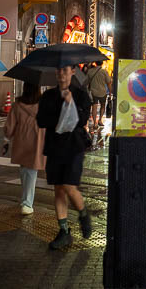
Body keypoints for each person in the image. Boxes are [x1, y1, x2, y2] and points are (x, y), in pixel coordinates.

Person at [36, 66, 93, 250]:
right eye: (59, 70)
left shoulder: (81, 95)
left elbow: (83, 119)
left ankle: (83, 213)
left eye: (65, 70)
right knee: (58, 189)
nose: (61, 74)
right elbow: (41, 120)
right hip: (54, 146)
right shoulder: (48, 96)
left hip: (74, 146)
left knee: (69, 185)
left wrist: (71, 104)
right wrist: (58, 108)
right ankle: (63, 231)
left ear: (73, 72)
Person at [3, 83, 45, 215]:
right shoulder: (43, 104)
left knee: (25, 169)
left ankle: (26, 201)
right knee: (31, 170)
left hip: (22, 140)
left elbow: (9, 127)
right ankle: (27, 203)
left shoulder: (17, 105)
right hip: (37, 140)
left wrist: (6, 139)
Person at [85, 61, 111, 131]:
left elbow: (86, 82)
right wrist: (110, 92)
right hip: (103, 92)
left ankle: (94, 123)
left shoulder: (90, 71)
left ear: (95, 63)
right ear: (102, 64)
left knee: (94, 107)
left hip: (93, 92)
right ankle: (100, 120)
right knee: (103, 106)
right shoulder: (104, 72)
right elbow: (109, 82)